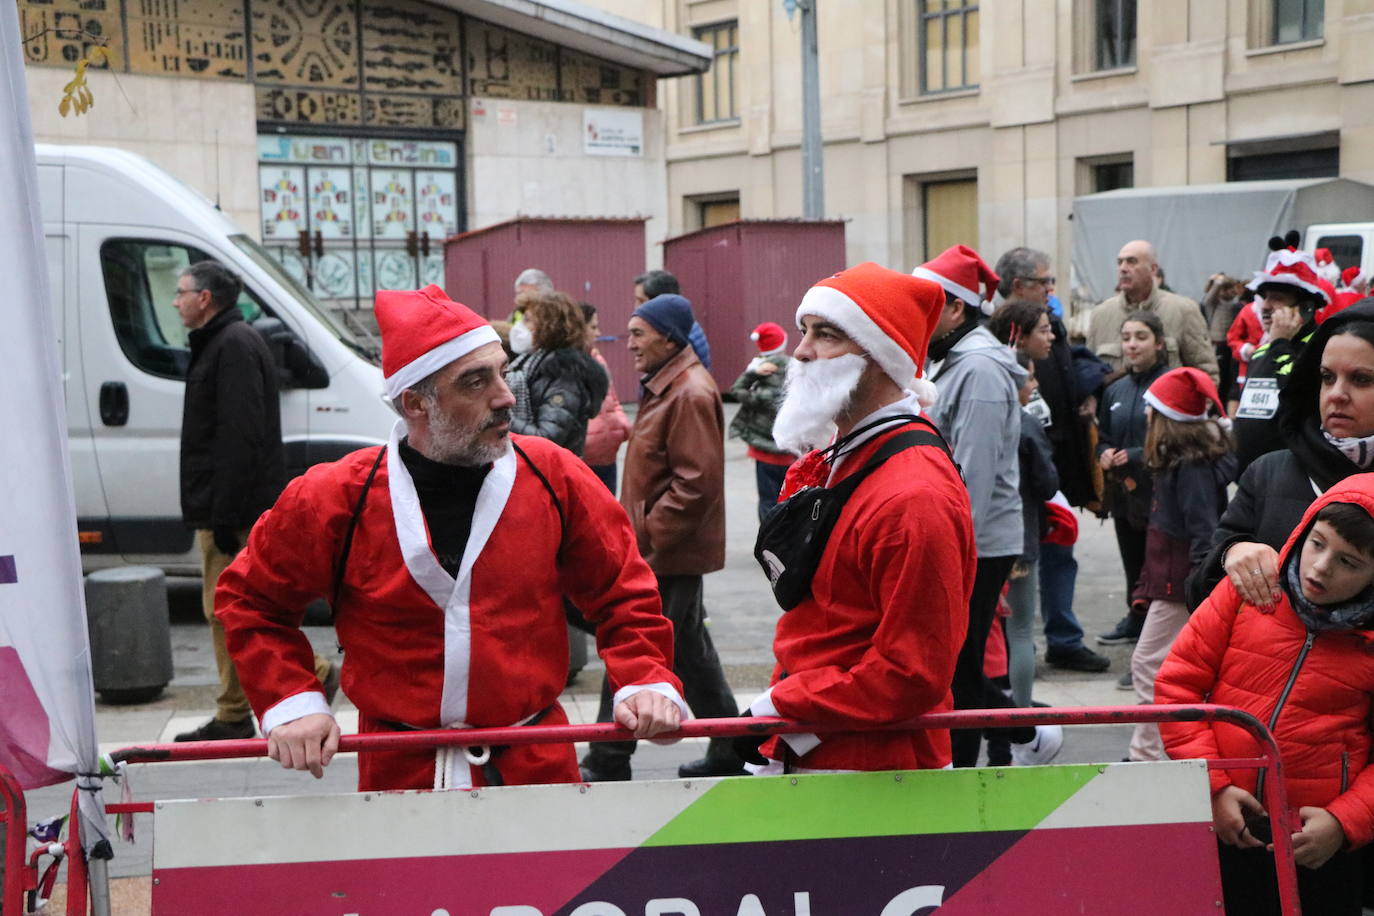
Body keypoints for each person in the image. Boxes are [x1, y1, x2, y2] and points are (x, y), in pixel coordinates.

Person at [215, 284, 686, 790]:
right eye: (475, 382)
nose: (505, 396)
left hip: (535, 771)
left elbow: (624, 592)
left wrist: (643, 678)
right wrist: (293, 700)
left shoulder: (554, 475)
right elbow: (250, 600)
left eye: (501, 372)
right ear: (416, 402)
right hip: (400, 773)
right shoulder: (334, 497)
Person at [734, 262, 974, 772]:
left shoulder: (913, 494)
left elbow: (912, 672)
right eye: (804, 330)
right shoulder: (852, 454)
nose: (800, 350)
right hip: (825, 747)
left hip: (873, 773)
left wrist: (784, 708)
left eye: (826, 335)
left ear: (879, 356)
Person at [1158, 478, 1374, 915]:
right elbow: (1177, 685)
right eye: (1317, 543)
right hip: (1224, 826)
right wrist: (1213, 784)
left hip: (1317, 844)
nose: (1321, 567)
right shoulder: (1249, 592)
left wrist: (1344, 821)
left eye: (1348, 562)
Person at [579, 293, 744, 782]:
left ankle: (609, 758)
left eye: (638, 333)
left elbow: (696, 484)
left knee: (633, 643)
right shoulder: (671, 384)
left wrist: (646, 541)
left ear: (667, 338)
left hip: (666, 554)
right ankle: (735, 748)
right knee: (689, 650)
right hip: (664, 551)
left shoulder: (689, 391)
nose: (628, 343)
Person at [172, 260, 337, 743]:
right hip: (228, 503)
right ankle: (234, 708)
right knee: (226, 609)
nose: (177, 301)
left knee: (232, 608)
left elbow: (239, 437)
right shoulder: (225, 342)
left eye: (182, 292)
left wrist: (224, 515)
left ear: (205, 298)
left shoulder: (233, 345)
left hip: (235, 509)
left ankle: (302, 678)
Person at [919, 245, 1062, 767]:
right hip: (968, 538)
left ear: (956, 309)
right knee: (957, 660)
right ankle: (1024, 733)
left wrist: (953, 552)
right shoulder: (956, 361)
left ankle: (972, 758)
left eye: (928, 303)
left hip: (976, 540)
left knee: (959, 661)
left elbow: (974, 475)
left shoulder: (976, 368)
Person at [1187, 299, 1374, 614]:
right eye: (1327, 377)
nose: (1337, 394)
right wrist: (1230, 554)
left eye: (1361, 379)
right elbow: (1197, 594)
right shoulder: (1269, 472)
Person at [992, 247, 1111, 674]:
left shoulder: (1051, 322)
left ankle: (1063, 639)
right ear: (1020, 285)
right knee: (1017, 562)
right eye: (1045, 281)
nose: (1051, 289)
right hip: (1016, 473)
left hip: (1057, 462)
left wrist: (1090, 389)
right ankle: (1009, 650)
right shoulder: (993, 334)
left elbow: (1069, 366)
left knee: (1061, 550)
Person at [1127, 368, 1234, 761]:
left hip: (1179, 586)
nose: (1145, 419)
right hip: (1170, 584)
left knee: (1148, 664)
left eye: (1151, 411)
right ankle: (1155, 753)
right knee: (1161, 665)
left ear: (1166, 419)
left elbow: (1204, 533)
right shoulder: (1177, 463)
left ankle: (1150, 757)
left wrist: (1199, 591)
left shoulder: (1189, 469)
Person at [1096, 310, 1171, 647]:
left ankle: (1153, 629)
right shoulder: (1116, 388)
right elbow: (1103, 437)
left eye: (1140, 337)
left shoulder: (1170, 384)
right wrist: (1104, 454)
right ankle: (1134, 616)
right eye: (1126, 337)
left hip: (1158, 493)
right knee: (1130, 559)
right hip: (1124, 495)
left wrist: (1138, 455)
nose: (1132, 345)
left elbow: (1178, 437)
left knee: (1154, 563)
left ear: (1159, 343)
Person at [1233, 251, 1333, 473]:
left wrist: (1281, 344)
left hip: (1290, 476)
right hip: (1249, 478)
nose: (1265, 306)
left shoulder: (1322, 348)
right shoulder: (1261, 352)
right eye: (1264, 297)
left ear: (1305, 308)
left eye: (1276, 298)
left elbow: (1297, 392)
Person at [1006, 352, 1061, 707]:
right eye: (1029, 378)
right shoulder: (1026, 424)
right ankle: (1021, 711)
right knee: (1022, 629)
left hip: (976, 539)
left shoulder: (971, 415)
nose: (1035, 384)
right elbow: (1047, 483)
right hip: (1019, 538)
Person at [1086, 240, 1218, 383]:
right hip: (1116, 403)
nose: (1123, 268)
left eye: (1132, 261)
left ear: (1153, 269)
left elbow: (1206, 373)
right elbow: (1090, 372)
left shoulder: (1183, 310)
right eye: (1120, 262)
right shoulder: (1101, 315)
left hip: (1168, 402)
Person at [505, 290, 608, 456]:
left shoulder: (563, 373)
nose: (520, 326)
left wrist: (501, 417)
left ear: (549, 326)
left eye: (528, 320)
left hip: (553, 474)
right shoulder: (530, 363)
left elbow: (547, 438)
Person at [729, 322, 794, 520]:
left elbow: (737, 390)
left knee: (768, 500)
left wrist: (753, 374)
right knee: (790, 498)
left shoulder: (759, 376)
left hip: (764, 452)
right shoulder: (798, 369)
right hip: (792, 450)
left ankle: (768, 542)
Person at [579, 302, 631, 493]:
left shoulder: (597, 359)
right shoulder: (567, 366)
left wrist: (621, 426)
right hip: (587, 459)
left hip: (607, 457)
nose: (598, 333)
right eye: (593, 327)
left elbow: (613, 399)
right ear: (577, 328)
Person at [634, 269, 711, 369]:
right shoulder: (680, 325)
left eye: (641, 301)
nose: (636, 307)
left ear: (659, 302)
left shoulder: (678, 337)